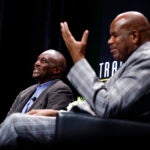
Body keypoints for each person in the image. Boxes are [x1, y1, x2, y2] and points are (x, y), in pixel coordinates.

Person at [0, 11, 150, 149]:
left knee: (15, 124)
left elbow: (106, 107)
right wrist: (57, 114)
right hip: (96, 124)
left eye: (114, 35)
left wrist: (78, 59)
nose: (109, 41)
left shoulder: (146, 58)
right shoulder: (136, 60)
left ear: (134, 36)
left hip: (108, 130)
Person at [5, 49, 74, 117]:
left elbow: (51, 122)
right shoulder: (24, 92)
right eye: (37, 60)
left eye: (43, 61)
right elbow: (8, 120)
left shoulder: (61, 90)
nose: (36, 63)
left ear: (56, 70)